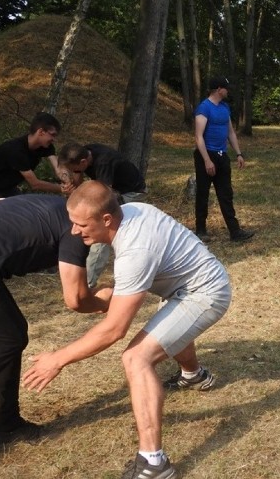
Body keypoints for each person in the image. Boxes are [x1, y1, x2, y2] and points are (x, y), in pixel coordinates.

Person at [22, 181, 232, 479]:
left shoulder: (136, 250)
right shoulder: (132, 212)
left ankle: (154, 463)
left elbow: (114, 330)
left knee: (136, 358)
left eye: (81, 224)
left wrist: (57, 359)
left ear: (106, 219)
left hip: (205, 293)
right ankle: (194, 376)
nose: (74, 231)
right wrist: (99, 299)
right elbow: (128, 286)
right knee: (167, 328)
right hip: (183, 287)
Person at [0, 195, 106, 466]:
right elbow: (75, 300)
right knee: (8, 337)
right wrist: (105, 299)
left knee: (10, 335)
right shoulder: (76, 231)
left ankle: (8, 424)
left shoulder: (52, 203)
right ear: (102, 219)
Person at [58, 142, 148, 287]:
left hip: (131, 193)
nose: (73, 173)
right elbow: (79, 180)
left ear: (83, 162)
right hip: (113, 190)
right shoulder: (85, 151)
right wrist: (73, 189)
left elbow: (102, 199)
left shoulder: (103, 163)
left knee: (101, 230)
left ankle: (87, 283)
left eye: (74, 170)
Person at [193, 76, 254, 242]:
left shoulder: (225, 107)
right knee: (203, 193)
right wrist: (206, 160)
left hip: (221, 156)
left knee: (226, 194)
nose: (228, 91)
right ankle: (200, 230)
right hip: (206, 155)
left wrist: (238, 154)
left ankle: (235, 232)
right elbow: (198, 137)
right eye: (226, 88)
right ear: (219, 89)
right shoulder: (204, 108)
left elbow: (230, 133)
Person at [0, 112, 70, 198]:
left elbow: (57, 167)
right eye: (52, 135)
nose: (54, 139)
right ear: (40, 132)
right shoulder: (15, 150)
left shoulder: (46, 146)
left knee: (25, 207)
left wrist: (67, 181)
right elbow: (35, 184)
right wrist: (62, 189)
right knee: (4, 214)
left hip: (8, 188)